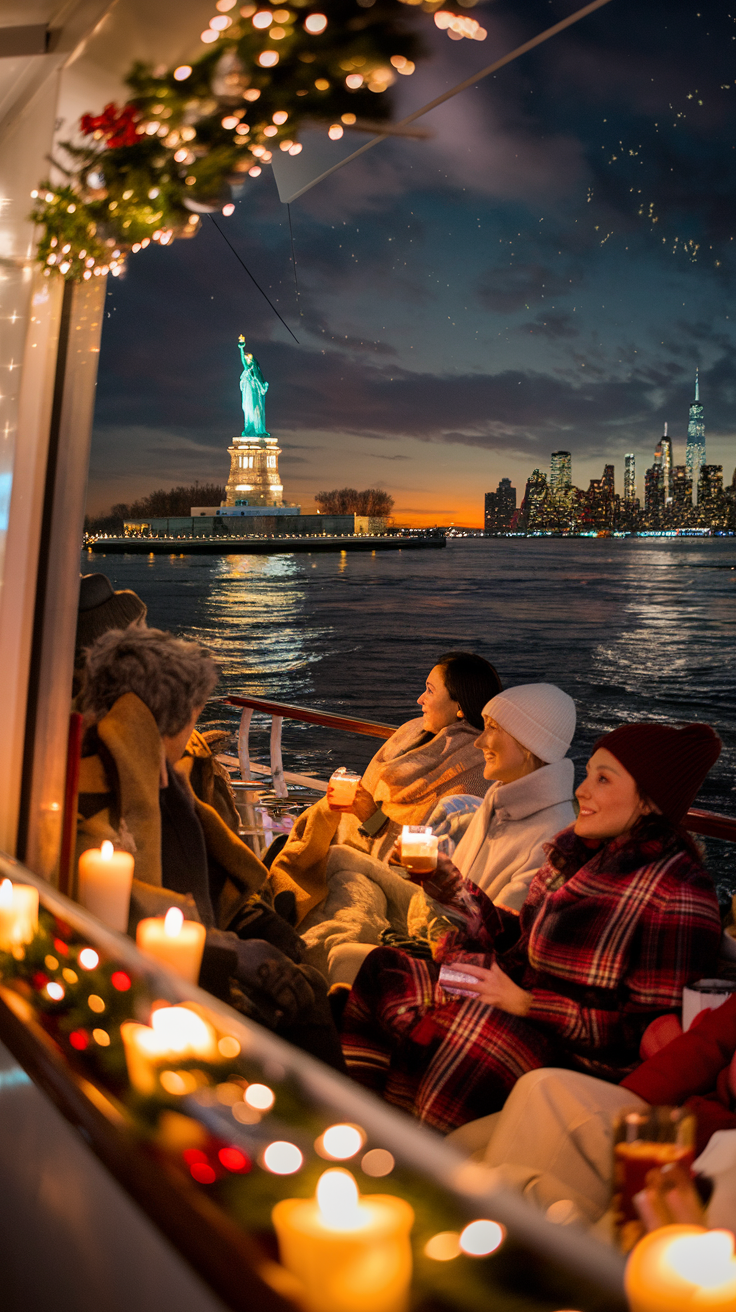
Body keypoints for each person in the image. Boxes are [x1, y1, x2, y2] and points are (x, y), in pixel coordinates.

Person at [340, 721, 723, 1132]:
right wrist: (445, 881)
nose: (582, 789)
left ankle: (417, 1155)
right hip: (519, 1009)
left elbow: (639, 1033)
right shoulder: (576, 856)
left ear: (650, 801)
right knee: (387, 968)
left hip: (575, 1057)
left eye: (603, 779)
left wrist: (524, 1003)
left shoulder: (678, 892)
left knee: (471, 1031)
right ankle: (368, 1122)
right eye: (588, 772)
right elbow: (519, 941)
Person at [76, 626, 344, 1069]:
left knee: (311, 980)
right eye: (194, 716)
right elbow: (128, 908)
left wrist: (264, 928)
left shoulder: (161, 783)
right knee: (307, 1002)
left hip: (196, 948)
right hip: (160, 979)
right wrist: (233, 954)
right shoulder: (106, 791)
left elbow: (211, 882)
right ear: (170, 716)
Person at [325, 682, 577, 986]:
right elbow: (436, 880)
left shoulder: (550, 843)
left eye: (493, 729)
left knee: (341, 955)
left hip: (468, 972)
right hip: (435, 924)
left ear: (529, 745)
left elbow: (498, 945)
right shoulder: (496, 800)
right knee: (339, 857)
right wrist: (423, 868)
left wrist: (438, 884)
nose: (480, 741)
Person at [446, 993, 736, 1236]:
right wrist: (634, 1105)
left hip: (718, 1142)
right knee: (529, 1098)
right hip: (686, 1113)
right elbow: (712, 1040)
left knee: (505, 1169)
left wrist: (528, 1001)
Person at [269, 651, 503, 925]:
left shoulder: (475, 770)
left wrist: (374, 819)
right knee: (283, 849)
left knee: (327, 864)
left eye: (429, 690)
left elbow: (436, 863)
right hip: (357, 849)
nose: (420, 699)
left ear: (460, 706)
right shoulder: (411, 734)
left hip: (403, 884)